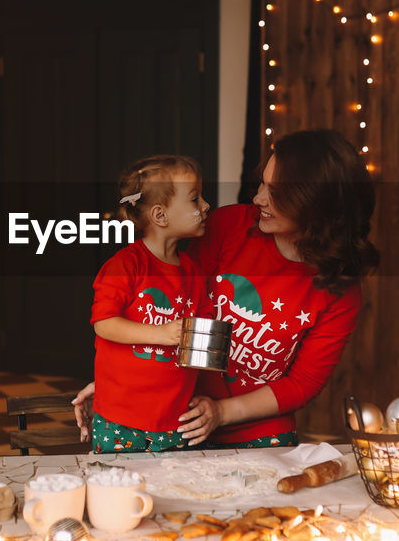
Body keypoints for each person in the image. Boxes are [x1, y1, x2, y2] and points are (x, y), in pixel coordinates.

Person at [76, 129, 378, 448]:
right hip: (177, 417)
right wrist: (124, 383)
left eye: (275, 192)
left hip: (260, 431)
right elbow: (166, 313)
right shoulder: (228, 226)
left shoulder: (340, 289)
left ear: (315, 204)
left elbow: (304, 382)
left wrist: (221, 411)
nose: (259, 198)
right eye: (262, 183)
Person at [87, 155, 210, 452]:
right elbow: (104, 323)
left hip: (176, 417)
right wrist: (161, 334)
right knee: (121, 494)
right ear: (160, 216)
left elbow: (200, 336)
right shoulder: (125, 265)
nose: (206, 206)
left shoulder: (192, 271)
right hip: (120, 418)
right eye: (195, 199)